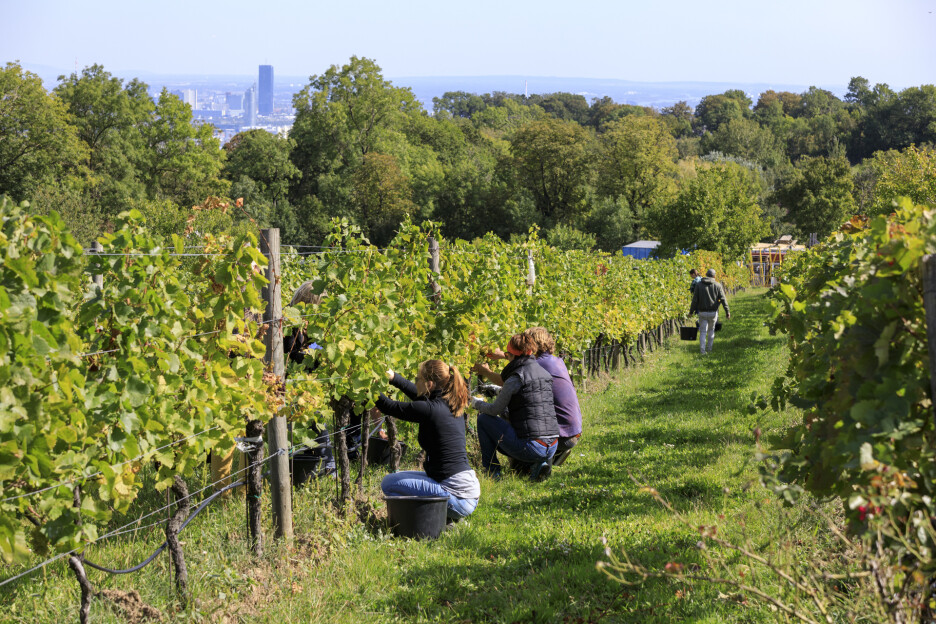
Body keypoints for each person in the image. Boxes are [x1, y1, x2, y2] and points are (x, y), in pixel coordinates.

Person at [376, 360, 480, 522]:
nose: (416, 382)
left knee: (388, 483)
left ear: (429, 384)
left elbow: (389, 406)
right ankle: (445, 518)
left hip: (459, 498)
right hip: (466, 491)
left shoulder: (430, 409)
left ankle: (430, 521)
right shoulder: (451, 403)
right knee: (398, 476)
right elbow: (418, 395)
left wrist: (366, 386)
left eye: (418, 379)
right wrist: (394, 377)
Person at [474, 328, 583, 468]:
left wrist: (486, 371)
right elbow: (525, 387)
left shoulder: (537, 366)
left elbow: (509, 380)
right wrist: (506, 355)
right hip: (568, 432)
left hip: (562, 433)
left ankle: (511, 466)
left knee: (507, 414)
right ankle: (543, 460)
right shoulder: (554, 361)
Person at [472, 333, 560, 481]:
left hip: (533, 447)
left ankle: (492, 472)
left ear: (512, 356)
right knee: (514, 417)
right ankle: (539, 464)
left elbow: (495, 410)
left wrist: (475, 403)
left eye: (507, 354)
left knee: (484, 419)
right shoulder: (544, 374)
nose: (506, 357)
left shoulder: (516, 377)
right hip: (553, 445)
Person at [689, 268, 731, 355]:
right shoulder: (718, 285)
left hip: (702, 312)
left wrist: (691, 312)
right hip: (713, 312)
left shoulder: (699, 285)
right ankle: (709, 349)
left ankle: (702, 351)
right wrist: (727, 311)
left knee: (703, 332)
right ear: (714, 276)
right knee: (711, 330)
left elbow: (695, 300)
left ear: (706, 274)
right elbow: (723, 299)